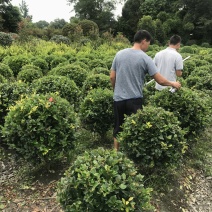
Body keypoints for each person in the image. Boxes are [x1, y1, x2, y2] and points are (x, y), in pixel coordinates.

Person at [110, 30, 181, 151]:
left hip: (119, 99)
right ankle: (130, 154)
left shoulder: (119, 54)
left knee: (118, 128)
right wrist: (172, 83)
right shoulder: (145, 58)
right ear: (144, 41)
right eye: (148, 43)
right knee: (134, 128)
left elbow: (112, 77)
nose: (148, 46)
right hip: (134, 100)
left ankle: (116, 154)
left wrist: (116, 90)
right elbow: (160, 80)